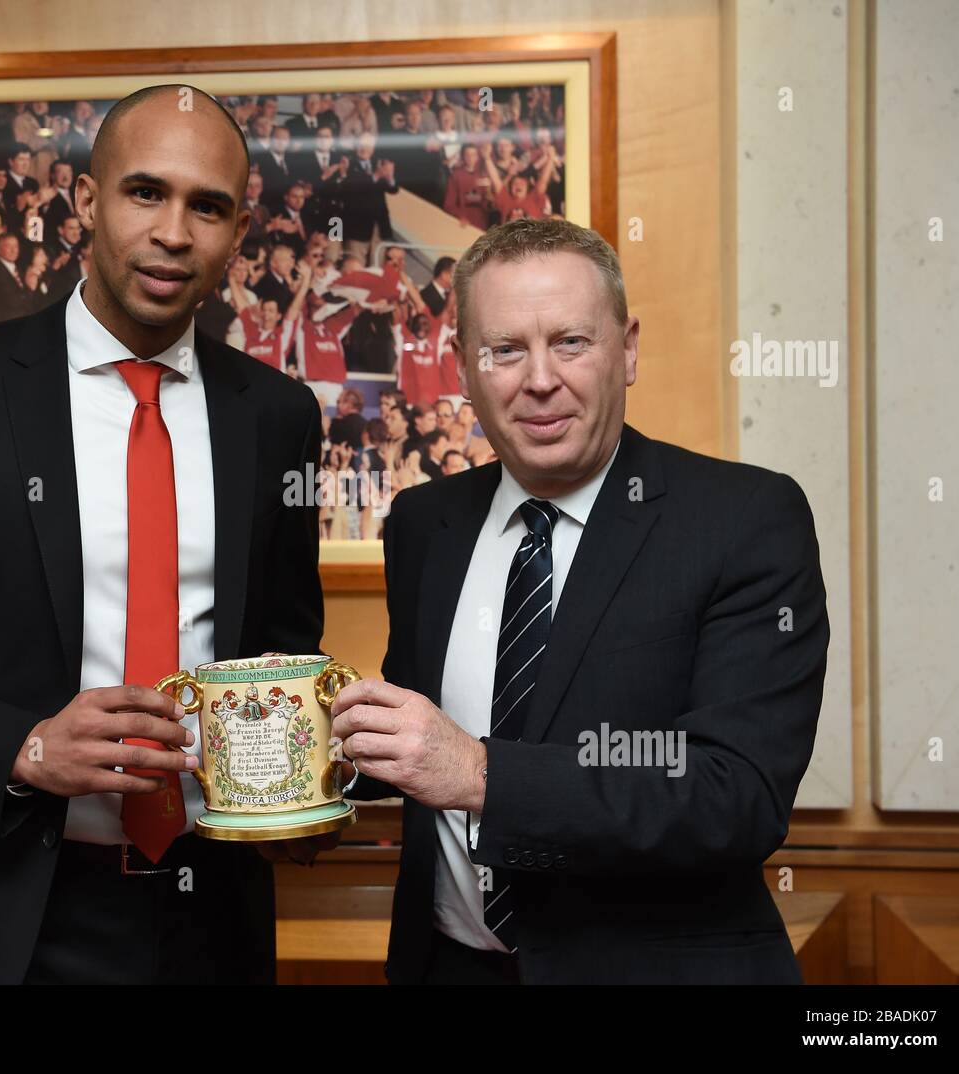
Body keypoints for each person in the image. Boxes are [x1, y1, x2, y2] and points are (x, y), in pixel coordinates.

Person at [0, 84, 329, 986]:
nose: (175, 231)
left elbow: (283, 650)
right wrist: (25, 748)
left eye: (208, 207)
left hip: (215, 917)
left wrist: (300, 784)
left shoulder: (277, 417)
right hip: (13, 917)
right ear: (86, 203)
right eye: (145, 192)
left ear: (239, 233)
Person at [332, 217, 827, 984]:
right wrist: (297, 761)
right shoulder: (425, 526)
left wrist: (480, 772)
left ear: (627, 350)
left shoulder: (744, 519)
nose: (539, 379)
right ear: (464, 367)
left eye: (571, 342)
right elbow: (418, 758)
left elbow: (738, 796)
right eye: (504, 350)